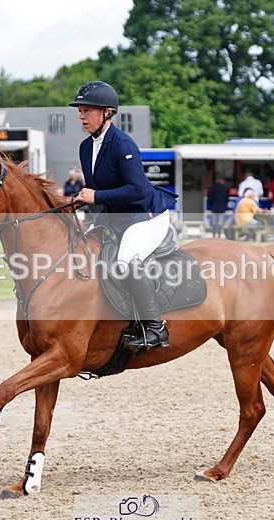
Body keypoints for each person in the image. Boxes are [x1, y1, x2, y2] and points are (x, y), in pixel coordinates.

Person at [69, 81, 177, 351]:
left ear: (107, 113)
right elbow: (98, 190)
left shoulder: (122, 143)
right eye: (80, 111)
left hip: (146, 215)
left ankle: (155, 328)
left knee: (127, 259)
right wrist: (75, 201)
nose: (82, 116)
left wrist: (95, 197)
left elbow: (137, 190)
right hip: (115, 216)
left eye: (87, 111)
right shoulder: (85, 147)